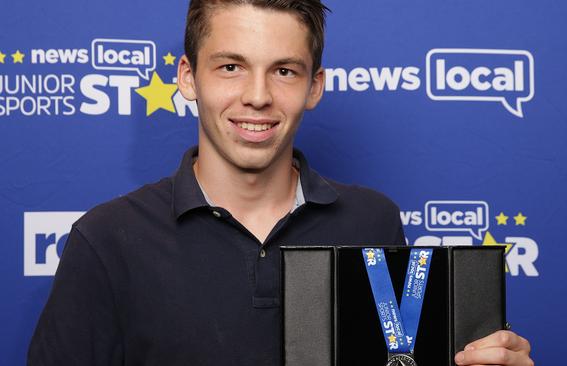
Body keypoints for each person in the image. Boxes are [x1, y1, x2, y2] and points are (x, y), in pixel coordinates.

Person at [28, 1, 533, 365]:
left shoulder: (373, 219)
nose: (257, 96)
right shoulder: (108, 237)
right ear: (187, 78)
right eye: (231, 66)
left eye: (285, 71)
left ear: (314, 86)